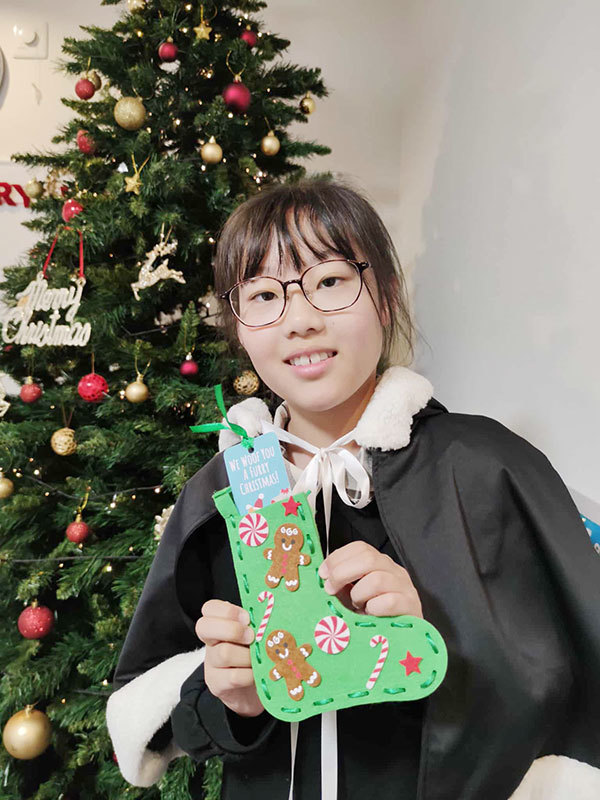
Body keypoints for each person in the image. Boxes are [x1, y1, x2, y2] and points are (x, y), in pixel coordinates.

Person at [106, 178, 600, 800]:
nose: (301, 321)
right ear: (239, 328)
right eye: (264, 295)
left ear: (386, 296)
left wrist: (430, 640)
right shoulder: (221, 494)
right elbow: (160, 710)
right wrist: (231, 699)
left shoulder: (484, 468)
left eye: (331, 281)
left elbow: (565, 691)